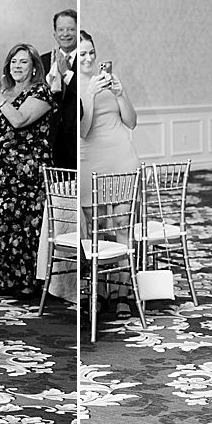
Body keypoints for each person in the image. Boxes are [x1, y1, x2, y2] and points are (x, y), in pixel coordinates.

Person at [0, 44, 54, 297]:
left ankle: (29, 281)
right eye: (14, 62)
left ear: (33, 69)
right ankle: (5, 280)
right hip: (6, 174)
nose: (17, 67)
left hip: (29, 175)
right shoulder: (3, 91)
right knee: (6, 225)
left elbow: (19, 120)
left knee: (27, 227)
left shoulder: (41, 92)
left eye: (23, 62)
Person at [78, 30, 139, 317]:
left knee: (122, 228)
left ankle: (122, 294)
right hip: (92, 166)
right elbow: (83, 129)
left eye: (91, 52)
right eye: (82, 54)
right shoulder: (74, 87)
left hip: (122, 161)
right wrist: (89, 94)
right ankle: (100, 293)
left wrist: (120, 93)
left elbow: (131, 121)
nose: (88, 58)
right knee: (99, 233)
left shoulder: (109, 83)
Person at [41, 9, 78, 170]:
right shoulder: (43, 61)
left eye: (71, 29)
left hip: (77, 135)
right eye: (61, 30)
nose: (66, 34)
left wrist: (66, 73)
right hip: (50, 135)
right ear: (54, 34)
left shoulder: (85, 60)